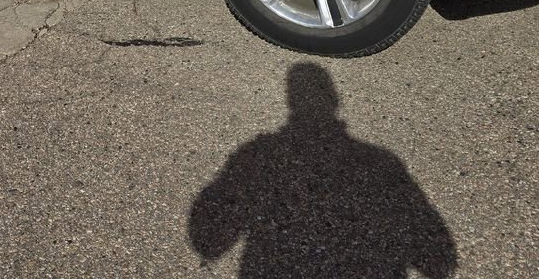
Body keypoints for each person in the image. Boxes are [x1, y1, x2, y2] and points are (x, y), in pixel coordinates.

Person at [189, 63, 457, 278]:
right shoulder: (380, 160)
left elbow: (208, 241)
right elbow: (439, 258)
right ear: (335, 99)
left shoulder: (256, 153)